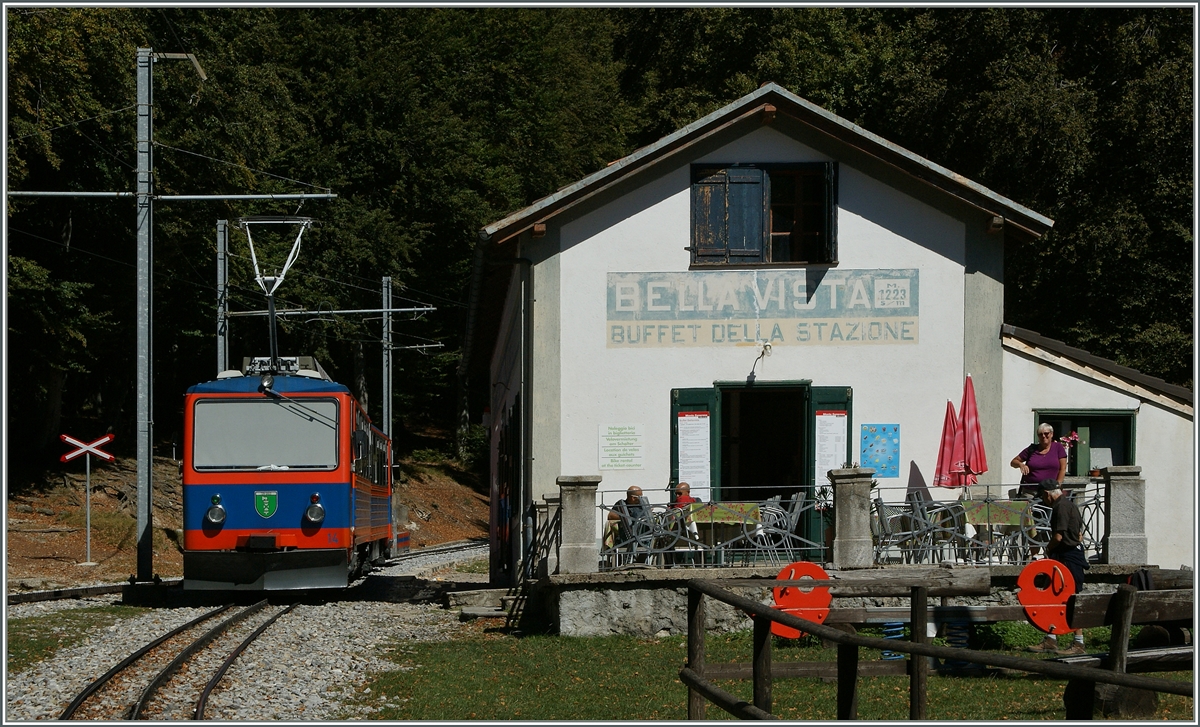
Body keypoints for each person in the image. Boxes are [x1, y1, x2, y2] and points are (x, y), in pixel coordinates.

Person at [1027, 478, 1088, 656]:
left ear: (1047, 494)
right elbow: (1079, 534)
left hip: (1067, 557)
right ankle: (1051, 638)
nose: (1043, 500)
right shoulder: (1070, 505)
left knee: (1070, 599)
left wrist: (1047, 549)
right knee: (1054, 597)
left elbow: (1059, 536)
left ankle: (1078, 643)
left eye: (1042, 497)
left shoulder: (1060, 507)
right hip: (1069, 555)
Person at [1010, 423, 1067, 497]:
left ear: (1052, 434)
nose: (1043, 436)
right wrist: (1021, 465)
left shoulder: (1058, 447)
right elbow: (1013, 462)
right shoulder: (1031, 449)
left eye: (1046, 433)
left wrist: (1058, 485)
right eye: (1040, 434)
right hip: (1030, 492)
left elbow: (1063, 468)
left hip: (1051, 491)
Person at [605, 486, 650, 552]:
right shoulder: (622, 505)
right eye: (640, 497)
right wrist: (627, 517)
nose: (641, 498)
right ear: (633, 498)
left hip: (645, 533)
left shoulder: (641, 504)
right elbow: (610, 516)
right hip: (629, 535)